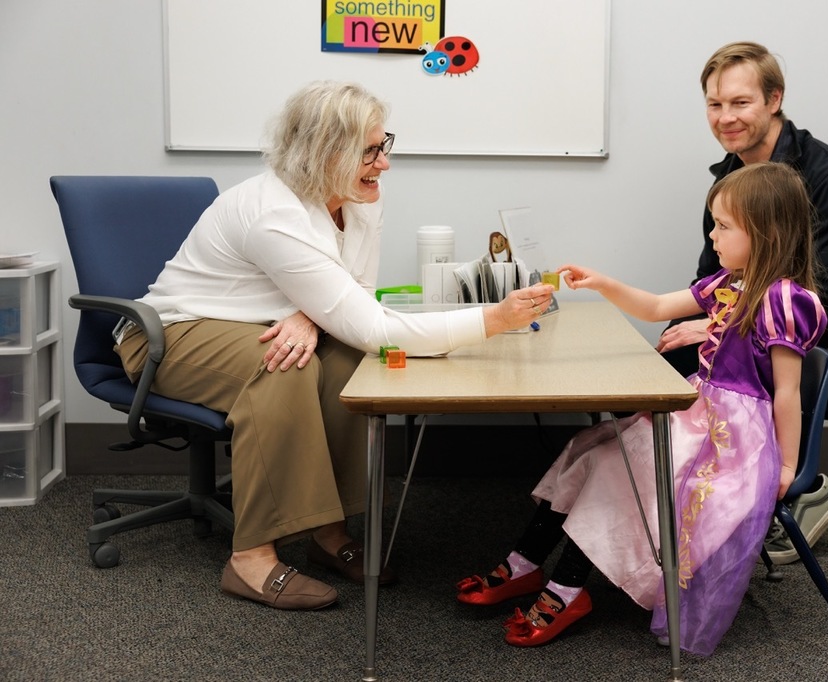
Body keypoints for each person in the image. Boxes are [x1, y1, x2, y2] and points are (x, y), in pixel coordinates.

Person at [114, 81, 554, 611]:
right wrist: (493, 319)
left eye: (382, 145)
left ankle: (328, 531)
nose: (384, 163)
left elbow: (357, 295)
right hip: (170, 334)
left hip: (256, 321)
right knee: (280, 368)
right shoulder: (275, 213)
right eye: (370, 151)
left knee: (350, 362)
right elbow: (374, 324)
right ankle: (249, 558)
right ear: (323, 153)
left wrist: (312, 316)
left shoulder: (358, 196)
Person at [456, 162, 826, 655]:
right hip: (697, 412)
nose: (712, 235)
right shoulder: (729, 283)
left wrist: (785, 463)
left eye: (723, 226)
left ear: (766, 232)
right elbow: (655, 307)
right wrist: (603, 282)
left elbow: (787, 392)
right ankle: (526, 563)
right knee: (588, 450)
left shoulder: (785, 300)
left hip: (733, 440)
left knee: (616, 470)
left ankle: (567, 591)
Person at [658, 41, 828, 564]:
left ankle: (794, 489)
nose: (726, 117)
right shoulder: (731, 178)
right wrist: (704, 324)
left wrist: (720, 330)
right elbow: (710, 279)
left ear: (774, 99)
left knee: (685, 362)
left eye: (741, 102)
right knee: (667, 356)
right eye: (715, 104)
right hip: (749, 334)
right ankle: (680, 495)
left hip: (820, 349)